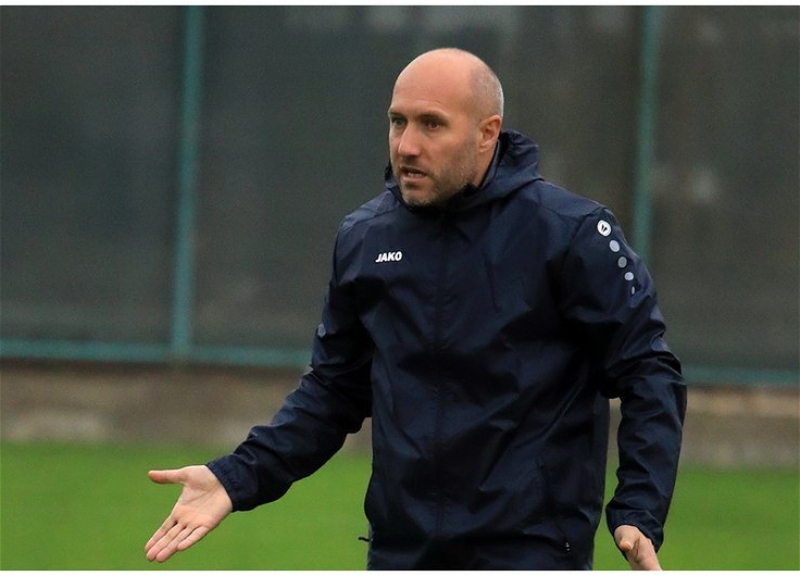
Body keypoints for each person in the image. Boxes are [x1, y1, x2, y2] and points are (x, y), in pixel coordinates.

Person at [144, 48, 686, 570]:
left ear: (487, 133)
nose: (406, 145)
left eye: (431, 124)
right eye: (397, 122)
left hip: (530, 553)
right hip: (400, 553)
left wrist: (638, 508)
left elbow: (647, 371)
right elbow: (333, 391)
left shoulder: (570, 234)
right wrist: (236, 477)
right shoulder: (365, 237)